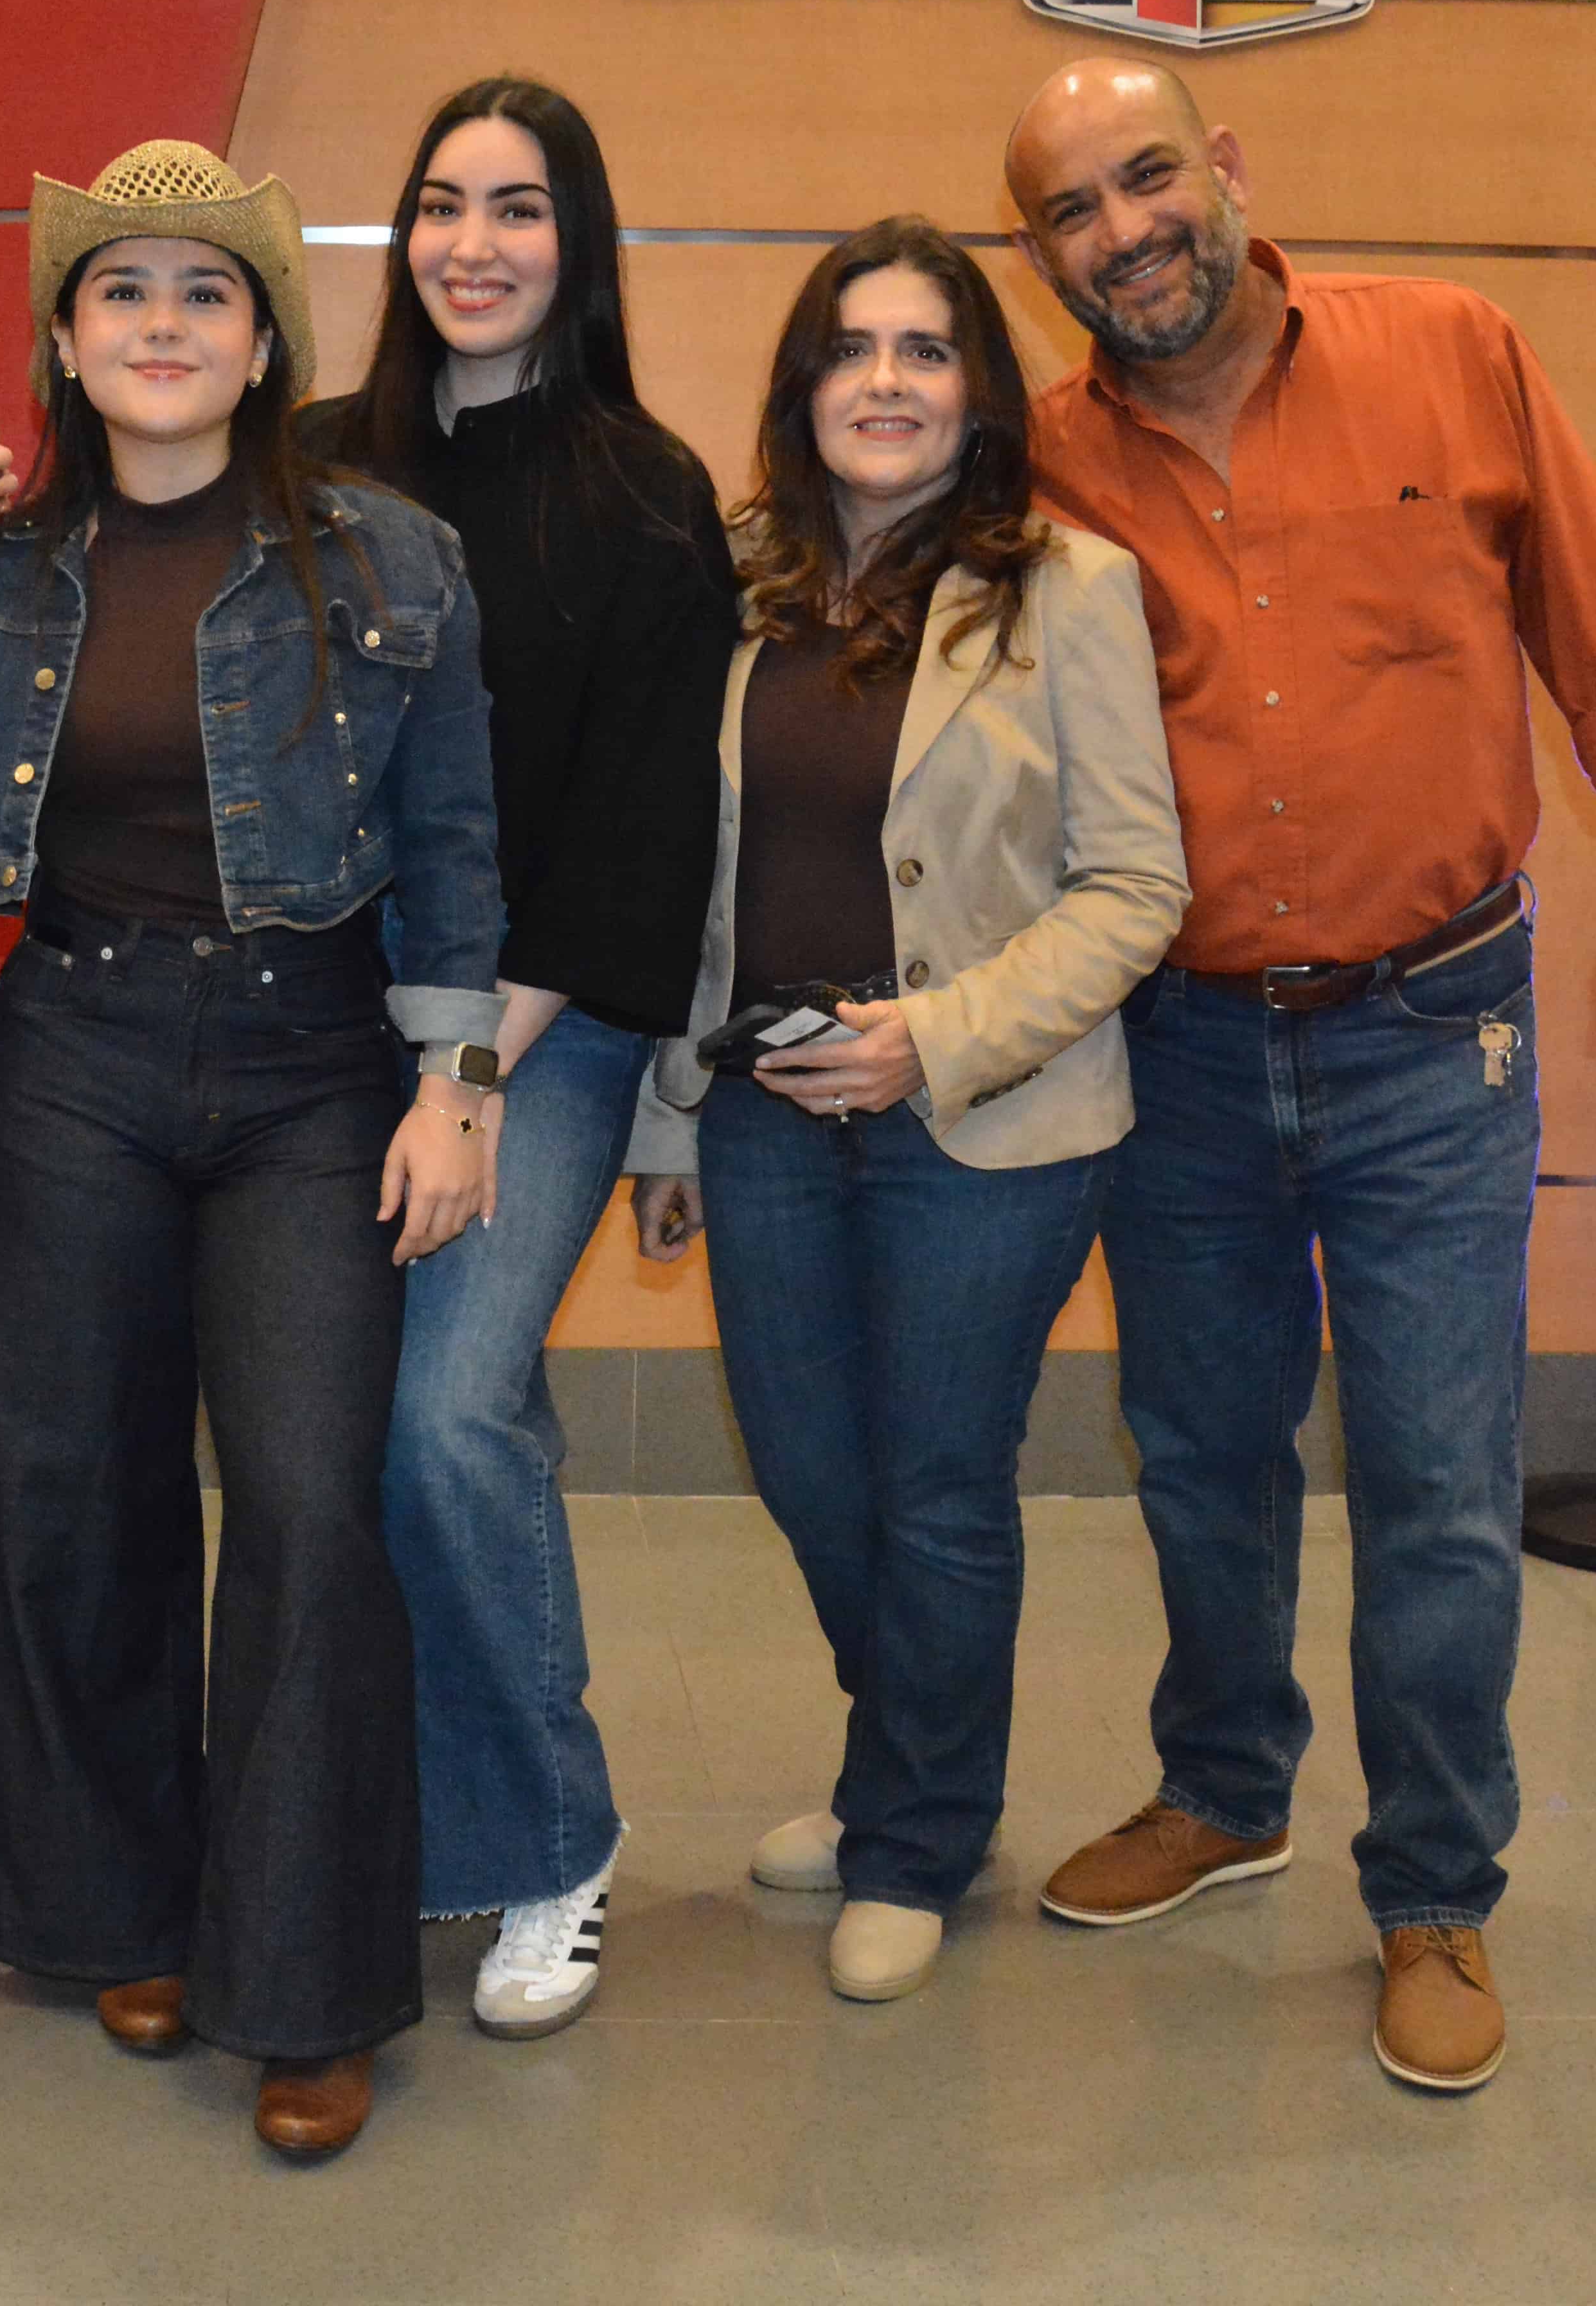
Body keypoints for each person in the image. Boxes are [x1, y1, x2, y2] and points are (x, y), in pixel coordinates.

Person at [1003, 58, 1596, 2094]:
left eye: (1150, 176)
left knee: (1434, 1478)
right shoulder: (1040, 461)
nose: (1126, 232)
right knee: (1201, 1451)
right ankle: (1227, 1790)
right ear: (1039, 253)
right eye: (1072, 210)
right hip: (1177, 1048)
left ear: (1226, 170)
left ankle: (1433, 1890)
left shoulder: (1452, 352)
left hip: (1435, 1029)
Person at [0, 139, 505, 2158]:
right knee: (69, 1486)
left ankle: (305, 1979)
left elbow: (457, 834)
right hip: (71, 1050)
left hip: (312, 1069)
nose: (165, 325)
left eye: (208, 293)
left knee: (305, 1503)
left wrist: (459, 1081)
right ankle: (116, 1908)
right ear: (67, 339)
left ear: (265, 343)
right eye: (124, 289)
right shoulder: (0, 563)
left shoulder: (391, 558)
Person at [626, 217, 1185, 2005]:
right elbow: (688, 875)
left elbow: (1135, 888)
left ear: (978, 392)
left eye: (925, 350)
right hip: (762, 1111)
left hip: (988, 1125)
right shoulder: (739, 582)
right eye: (851, 350)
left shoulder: (1070, 588)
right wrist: (665, 1120)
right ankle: (906, 1769)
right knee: (810, 1473)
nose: (885, 383)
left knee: (938, 1488)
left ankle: (920, 1835)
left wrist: (929, 1040)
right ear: (804, 388)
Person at [301, 78, 734, 2037]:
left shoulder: (647, 495)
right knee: (329, 1434)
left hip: (537, 1035)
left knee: (447, 1418)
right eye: (442, 204)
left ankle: (552, 1835)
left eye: (520, 208)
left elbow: (641, 839)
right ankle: (391, 1815)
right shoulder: (313, 463)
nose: (473, 246)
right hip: (317, 1035)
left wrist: (466, 1073)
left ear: (581, 242)